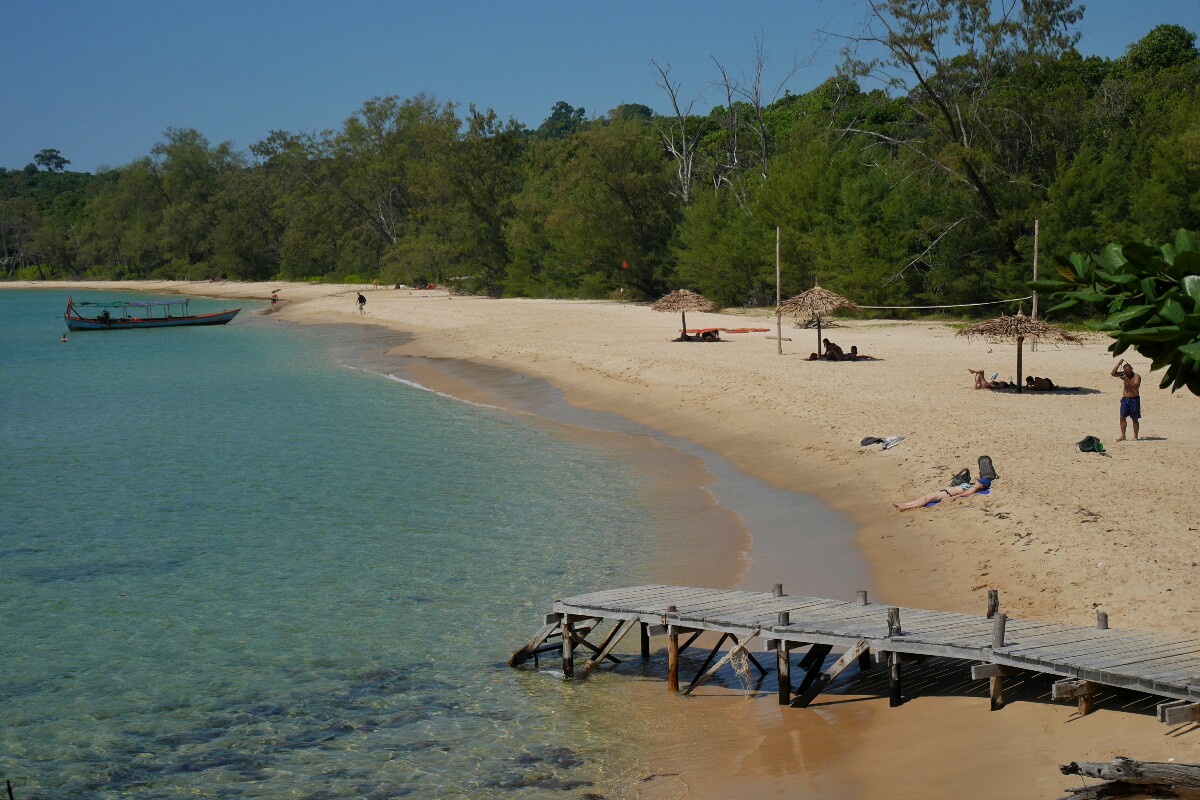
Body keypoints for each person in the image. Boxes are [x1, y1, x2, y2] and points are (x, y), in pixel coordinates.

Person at [894, 477, 991, 511]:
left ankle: (907, 507)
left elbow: (962, 495)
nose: (977, 481)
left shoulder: (972, 490)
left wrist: (951, 499)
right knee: (924, 497)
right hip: (944, 491)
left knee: (926, 500)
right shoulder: (971, 486)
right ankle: (905, 504)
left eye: (979, 482)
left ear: (981, 486)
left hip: (946, 494)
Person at [1111, 358, 1142, 440]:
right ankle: (1123, 435)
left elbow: (1135, 387)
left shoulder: (1136, 376)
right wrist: (1119, 364)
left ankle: (1135, 436)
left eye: (1130, 370)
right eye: (1127, 371)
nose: (1129, 372)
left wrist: (1126, 379)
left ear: (1132, 369)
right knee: (1122, 417)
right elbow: (1113, 373)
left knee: (1134, 419)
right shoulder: (1124, 374)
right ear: (1124, 371)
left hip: (1134, 399)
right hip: (1125, 399)